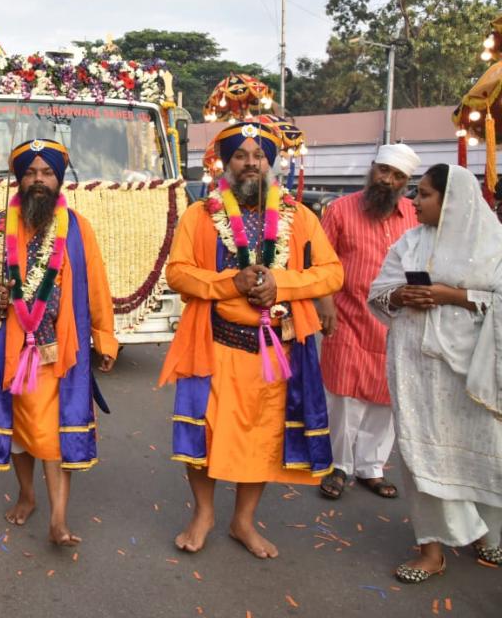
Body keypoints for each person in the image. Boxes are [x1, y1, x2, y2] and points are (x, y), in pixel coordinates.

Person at [160, 121, 343, 559]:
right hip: (216, 346)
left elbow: (332, 272)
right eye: (240, 155)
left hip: (276, 353)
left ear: (270, 163)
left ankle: (243, 521)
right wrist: (230, 282)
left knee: (261, 440)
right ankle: (203, 513)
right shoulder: (199, 215)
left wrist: (280, 284)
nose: (250, 163)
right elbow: (178, 272)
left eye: (258, 156)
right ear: (225, 163)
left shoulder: (300, 217)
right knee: (204, 436)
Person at [0, 139, 117, 545]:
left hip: (60, 352)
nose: (38, 180)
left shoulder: (78, 229)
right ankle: (27, 495)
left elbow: (97, 287)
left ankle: (58, 520)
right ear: (19, 179)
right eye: (30, 173)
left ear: (59, 179)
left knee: (53, 433)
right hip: (11, 346)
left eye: (46, 173)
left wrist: (105, 338)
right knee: (18, 430)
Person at [368, 164, 502, 583]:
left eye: (424, 194)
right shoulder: (410, 242)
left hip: (472, 374)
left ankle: (487, 533)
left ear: (452, 199)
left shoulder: (493, 244)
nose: (414, 200)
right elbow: (378, 294)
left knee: (482, 450)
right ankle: (432, 552)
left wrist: (453, 296)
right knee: (420, 452)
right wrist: (402, 293)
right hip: (415, 367)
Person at [315, 145, 420, 500]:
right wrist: (324, 303)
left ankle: (371, 467)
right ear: (373, 168)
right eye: (384, 170)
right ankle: (339, 465)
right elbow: (321, 261)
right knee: (345, 395)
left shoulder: (413, 215)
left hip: (397, 322)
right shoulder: (341, 209)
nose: (387, 180)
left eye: (397, 176)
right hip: (349, 316)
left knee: (387, 398)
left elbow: (421, 262)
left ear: (407, 182)